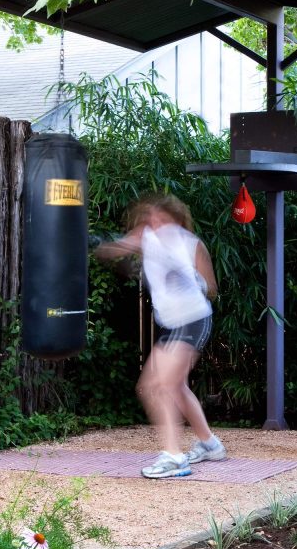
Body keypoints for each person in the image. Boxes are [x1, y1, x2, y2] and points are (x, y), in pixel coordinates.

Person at [94, 192, 226, 478]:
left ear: (176, 219)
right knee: (174, 386)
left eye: (161, 218)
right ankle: (210, 445)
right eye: (151, 218)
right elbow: (116, 248)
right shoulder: (147, 237)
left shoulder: (192, 245)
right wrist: (92, 244)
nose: (155, 222)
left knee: (158, 387)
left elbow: (211, 288)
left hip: (192, 320)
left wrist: (191, 280)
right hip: (174, 324)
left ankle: (174, 457)